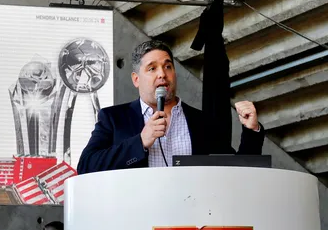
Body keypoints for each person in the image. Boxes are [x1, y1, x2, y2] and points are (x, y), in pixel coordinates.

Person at [77, 39, 265, 174]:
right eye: (152, 68)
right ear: (136, 79)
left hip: (189, 224)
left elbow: (238, 171)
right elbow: (86, 166)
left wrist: (251, 131)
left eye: (168, 67)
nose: (162, 74)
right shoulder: (113, 118)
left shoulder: (203, 122)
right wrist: (141, 141)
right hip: (137, 221)